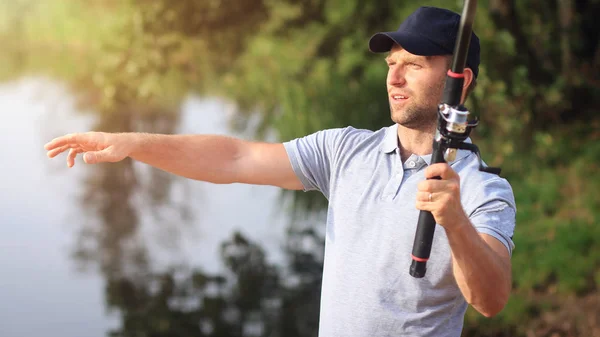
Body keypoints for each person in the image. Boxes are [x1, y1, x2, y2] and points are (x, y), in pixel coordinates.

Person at [45, 6, 516, 337]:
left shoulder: (482, 189)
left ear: (460, 82)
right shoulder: (344, 150)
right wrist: (130, 144)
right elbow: (232, 158)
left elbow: (491, 299)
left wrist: (453, 220)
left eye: (413, 65)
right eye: (392, 64)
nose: (394, 78)